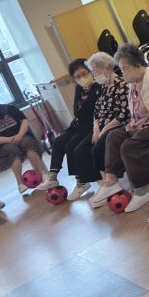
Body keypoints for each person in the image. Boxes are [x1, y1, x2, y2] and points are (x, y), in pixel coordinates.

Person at [91, 44, 149, 213]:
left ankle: (141, 191)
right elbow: (134, 111)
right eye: (121, 69)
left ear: (137, 65)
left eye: (125, 68)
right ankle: (111, 181)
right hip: (139, 124)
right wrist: (131, 124)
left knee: (129, 147)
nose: (122, 73)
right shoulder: (133, 83)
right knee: (113, 136)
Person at [39, 59, 102, 200]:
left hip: (93, 124)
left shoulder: (99, 86)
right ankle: (53, 176)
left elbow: (93, 111)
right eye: (77, 77)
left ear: (91, 71)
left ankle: (81, 182)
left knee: (71, 146)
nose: (82, 78)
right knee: (58, 141)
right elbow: (76, 111)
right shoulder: (79, 88)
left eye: (84, 74)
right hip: (79, 123)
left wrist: (84, 116)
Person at [0, 89, 48, 193]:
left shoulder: (8, 108)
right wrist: (9, 139)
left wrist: (20, 135)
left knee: (27, 143)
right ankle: (20, 183)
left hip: (21, 136)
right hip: (3, 145)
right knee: (12, 151)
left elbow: (24, 121)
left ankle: (41, 174)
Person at [82, 51, 130, 201]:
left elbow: (123, 114)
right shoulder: (104, 87)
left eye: (96, 71)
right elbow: (96, 111)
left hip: (117, 125)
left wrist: (103, 130)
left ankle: (111, 182)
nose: (94, 75)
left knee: (98, 147)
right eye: (93, 72)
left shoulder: (121, 84)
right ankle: (104, 184)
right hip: (102, 126)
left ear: (107, 68)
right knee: (83, 148)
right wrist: (96, 128)